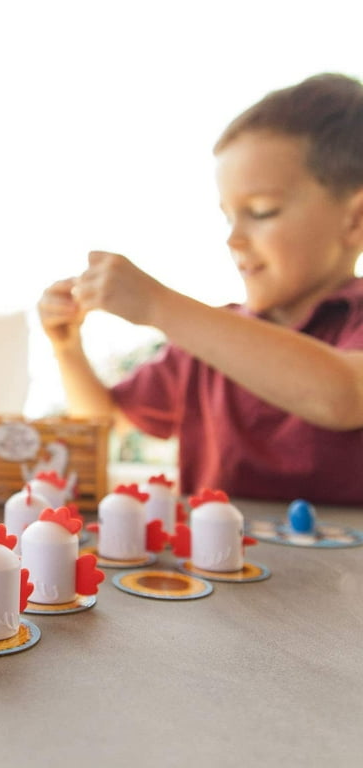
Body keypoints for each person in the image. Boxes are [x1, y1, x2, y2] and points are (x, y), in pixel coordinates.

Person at [38, 73, 363, 505]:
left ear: (355, 220)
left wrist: (159, 305)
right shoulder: (206, 343)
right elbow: (103, 421)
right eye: (229, 217)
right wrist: (67, 349)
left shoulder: (347, 321)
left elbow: (343, 396)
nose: (234, 239)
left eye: (261, 212)